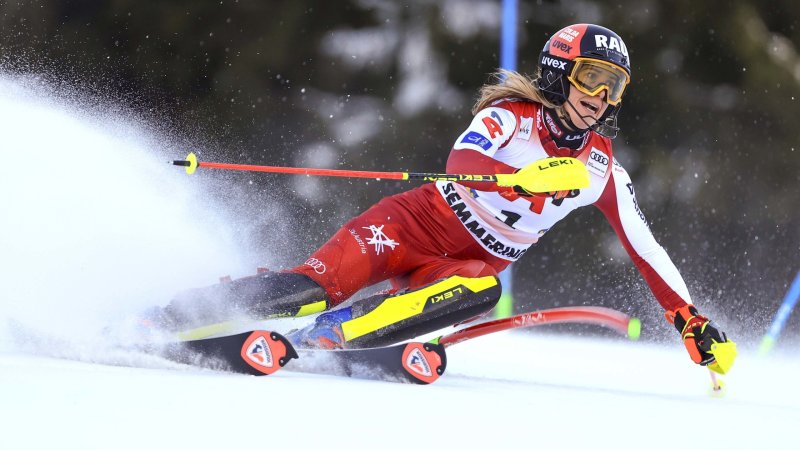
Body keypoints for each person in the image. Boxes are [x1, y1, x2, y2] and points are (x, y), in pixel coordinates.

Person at [153, 24, 733, 371]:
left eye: (613, 86)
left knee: (483, 288)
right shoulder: (512, 117)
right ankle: (171, 315)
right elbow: (462, 161)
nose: (600, 97)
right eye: (590, 78)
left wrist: (689, 321)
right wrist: (519, 178)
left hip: (462, 267)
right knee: (310, 289)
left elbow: (646, 249)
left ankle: (333, 337)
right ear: (560, 73)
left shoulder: (602, 170)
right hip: (408, 227)